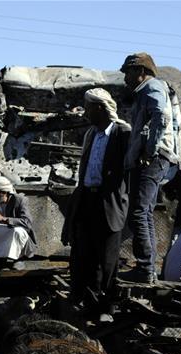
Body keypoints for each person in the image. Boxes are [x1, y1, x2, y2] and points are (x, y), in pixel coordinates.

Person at [66, 88, 131, 322]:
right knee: (84, 254)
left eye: (89, 107)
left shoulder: (122, 132)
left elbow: (132, 170)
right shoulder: (90, 134)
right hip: (88, 199)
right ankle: (85, 301)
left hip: (110, 202)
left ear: (101, 108)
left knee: (108, 259)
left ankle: (107, 307)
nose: (85, 112)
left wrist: (126, 200)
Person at [119, 52, 177, 283]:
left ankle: (145, 268)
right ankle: (148, 267)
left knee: (139, 212)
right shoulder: (145, 91)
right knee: (145, 212)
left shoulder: (152, 87)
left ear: (141, 72)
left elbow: (160, 117)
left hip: (153, 158)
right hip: (152, 158)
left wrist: (149, 150)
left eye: (129, 72)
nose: (125, 78)